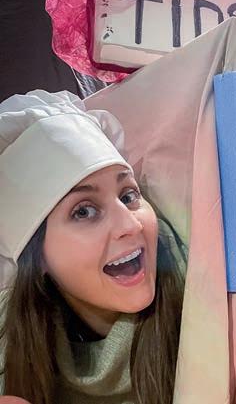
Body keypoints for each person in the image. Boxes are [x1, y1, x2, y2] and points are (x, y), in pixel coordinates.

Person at [0, 90, 186, 404]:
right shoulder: (12, 338)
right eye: (84, 211)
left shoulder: (202, 302)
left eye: (128, 196)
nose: (131, 225)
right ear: (37, 257)